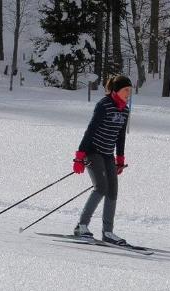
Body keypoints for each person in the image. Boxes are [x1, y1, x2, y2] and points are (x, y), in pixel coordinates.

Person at [72, 75, 132, 246]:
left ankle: (108, 232)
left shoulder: (125, 110)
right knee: (101, 187)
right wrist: (80, 156)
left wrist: (120, 158)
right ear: (116, 90)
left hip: (107, 154)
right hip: (92, 151)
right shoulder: (103, 105)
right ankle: (81, 226)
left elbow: (120, 136)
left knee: (112, 191)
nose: (128, 93)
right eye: (126, 90)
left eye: (130, 91)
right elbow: (90, 130)